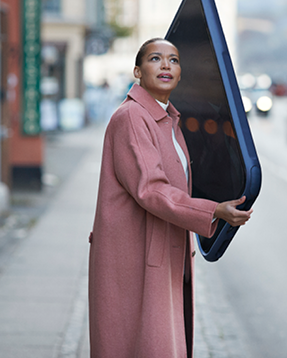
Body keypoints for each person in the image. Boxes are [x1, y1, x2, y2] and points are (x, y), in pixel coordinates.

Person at [88, 38, 253, 358]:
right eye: (155, 58)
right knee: (145, 345)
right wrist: (213, 210)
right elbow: (150, 188)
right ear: (137, 70)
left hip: (159, 249)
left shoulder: (167, 119)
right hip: (134, 256)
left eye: (174, 60)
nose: (166, 65)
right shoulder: (133, 117)